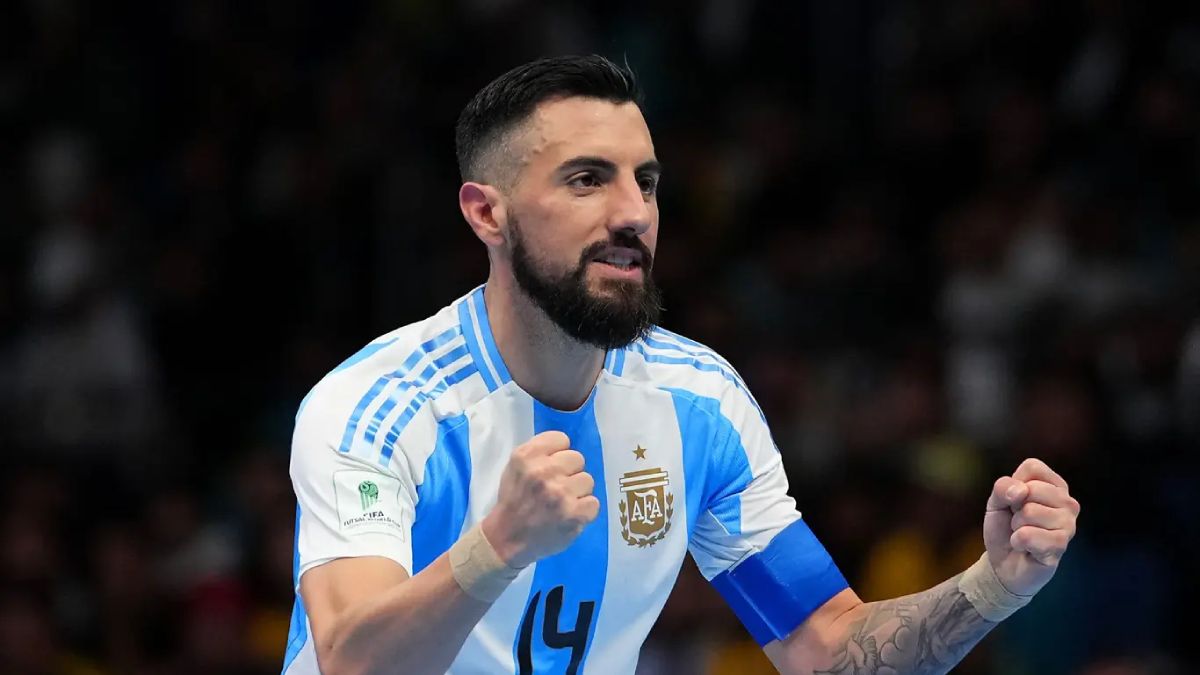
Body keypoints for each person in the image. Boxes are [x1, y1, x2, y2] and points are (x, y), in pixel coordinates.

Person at [281, 55, 1080, 675]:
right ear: (487, 212)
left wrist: (993, 586)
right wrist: (497, 544)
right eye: (587, 178)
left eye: (647, 182)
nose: (633, 212)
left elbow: (827, 650)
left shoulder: (702, 402)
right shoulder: (376, 404)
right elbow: (350, 656)